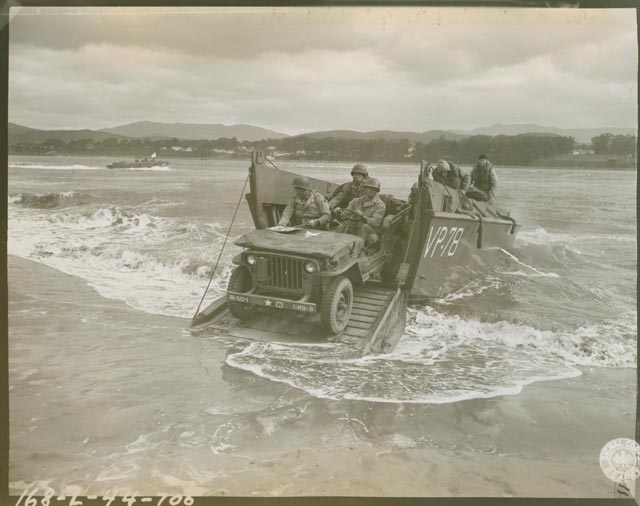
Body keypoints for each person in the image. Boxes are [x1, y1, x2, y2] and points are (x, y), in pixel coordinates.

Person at [337, 177, 386, 247]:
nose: (371, 190)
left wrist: (362, 216)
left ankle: (358, 249)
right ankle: (336, 247)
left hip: (370, 231)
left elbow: (375, 223)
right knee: (341, 227)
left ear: (377, 191)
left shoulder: (380, 205)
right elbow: (346, 214)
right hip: (355, 227)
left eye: (374, 189)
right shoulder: (356, 201)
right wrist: (339, 212)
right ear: (365, 189)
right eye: (369, 188)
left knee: (365, 227)